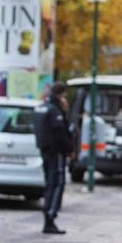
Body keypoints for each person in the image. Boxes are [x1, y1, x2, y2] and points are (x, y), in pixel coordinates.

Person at [31, 81, 74, 234]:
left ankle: (48, 215)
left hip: (45, 150)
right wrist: (70, 148)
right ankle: (50, 215)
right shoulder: (54, 110)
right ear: (62, 94)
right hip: (56, 152)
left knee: (49, 183)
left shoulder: (41, 107)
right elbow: (60, 132)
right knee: (56, 183)